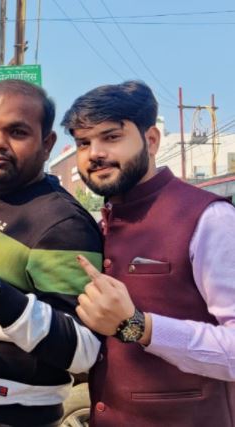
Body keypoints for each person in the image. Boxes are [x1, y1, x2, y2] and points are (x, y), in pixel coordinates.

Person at [62, 81, 235, 426]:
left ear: (151, 140)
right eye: (83, 142)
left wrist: (139, 326)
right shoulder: (100, 226)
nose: (94, 153)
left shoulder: (208, 218)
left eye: (111, 137)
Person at [0, 79, 103, 427]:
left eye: (17, 132)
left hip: (9, 418)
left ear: (47, 144)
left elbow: (85, 350)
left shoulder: (62, 223)